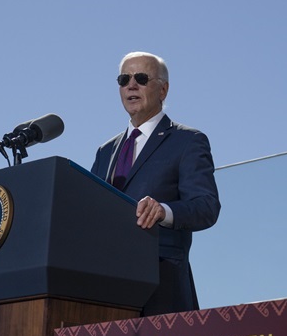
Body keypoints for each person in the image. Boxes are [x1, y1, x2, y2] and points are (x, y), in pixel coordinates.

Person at [91, 51, 220, 315]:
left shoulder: (188, 142)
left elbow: (206, 206)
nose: (131, 85)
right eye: (124, 79)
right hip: (106, 288)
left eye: (140, 77)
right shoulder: (106, 151)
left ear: (163, 89)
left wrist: (164, 211)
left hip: (162, 286)